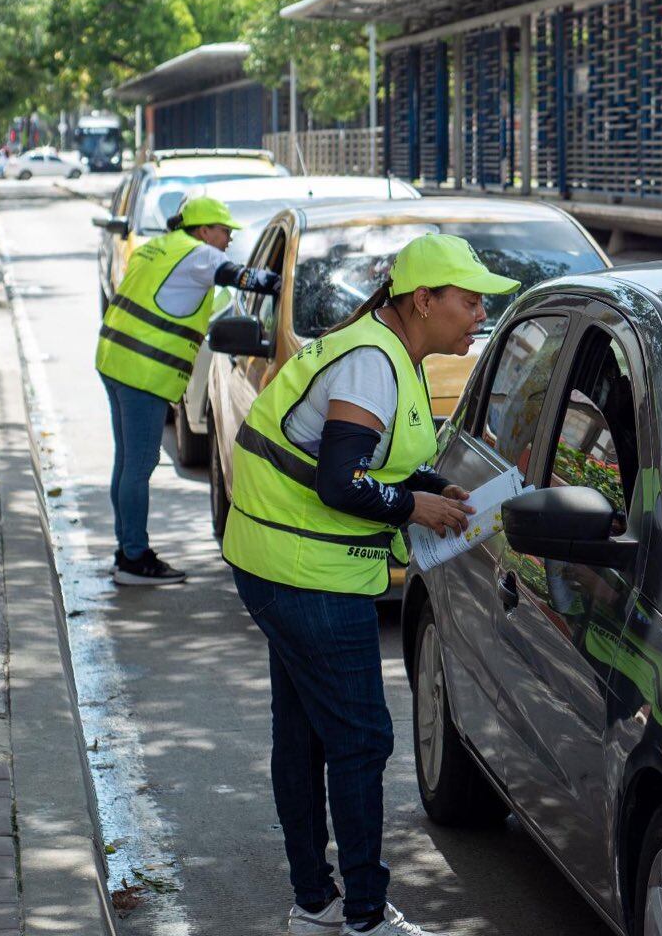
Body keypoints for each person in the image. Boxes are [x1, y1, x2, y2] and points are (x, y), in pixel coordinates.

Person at [224, 234, 520, 936]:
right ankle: (362, 915)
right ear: (424, 301)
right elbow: (339, 481)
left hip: (280, 562)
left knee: (304, 737)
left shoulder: (388, 350)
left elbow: (369, 460)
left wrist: (425, 483)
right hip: (308, 574)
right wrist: (416, 506)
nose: (480, 313)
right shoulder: (371, 364)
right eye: (470, 300)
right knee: (360, 740)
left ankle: (316, 904)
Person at [94, 195, 278, 585]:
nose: (228, 239)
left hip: (114, 358)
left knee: (125, 462)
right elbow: (249, 280)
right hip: (141, 370)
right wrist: (291, 280)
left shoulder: (158, 246)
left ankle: (125, 548)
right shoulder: (200, 254)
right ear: (203, 230)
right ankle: (134, 559)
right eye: (224, 230)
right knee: (139, 466)